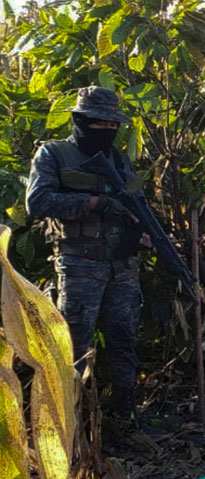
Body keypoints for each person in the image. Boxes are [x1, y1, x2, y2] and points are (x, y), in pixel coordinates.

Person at [26, 86, 147, 420]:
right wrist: (92, 203)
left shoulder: (118, 159)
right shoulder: (54, 154)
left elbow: (134, 206)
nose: (107, 130)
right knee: (74, 348)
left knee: (124, 344)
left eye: (112, 125)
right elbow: (37, 202)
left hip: (121, 266)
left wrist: (142, 234)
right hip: (79, 264)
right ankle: (71, 425)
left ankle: (125, 419)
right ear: (80, 120)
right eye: (99, 124)